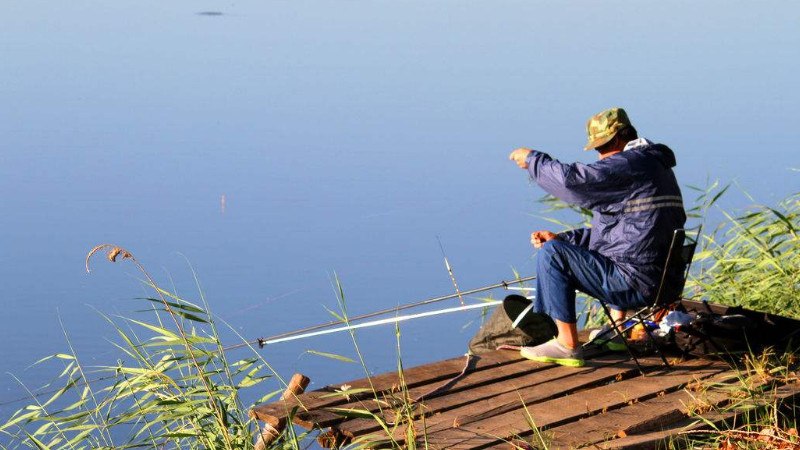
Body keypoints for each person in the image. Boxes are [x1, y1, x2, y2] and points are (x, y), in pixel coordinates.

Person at [507, 107, 686, 367]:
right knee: (559, 247)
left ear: (619, 138)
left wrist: (534, 160)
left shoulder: (630, 164)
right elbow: (622, 232)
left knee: (551, 255)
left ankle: (567, 345)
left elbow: (573, 182)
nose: (600, 157)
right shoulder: (655, 166)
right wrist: (564, 239)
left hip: (636, 283)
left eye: (602, 147)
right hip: (663, 284)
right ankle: (620, 329)